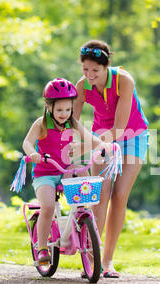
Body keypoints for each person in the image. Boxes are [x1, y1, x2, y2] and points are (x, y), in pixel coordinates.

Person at [74, 40, 149, 278]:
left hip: (132, 136)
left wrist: (87, 145)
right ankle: (92, 261)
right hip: (100, 137)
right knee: (99, 195)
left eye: (95, 70)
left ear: (107, 66)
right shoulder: (82, 86)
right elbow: (72, 122)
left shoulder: (124, 80)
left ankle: (107, 262)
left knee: (119, 195)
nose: (90, 75)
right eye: (86, 69)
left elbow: (119, 127)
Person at [22, 78, 111, 264]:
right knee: (47, 207)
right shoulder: (41, 123)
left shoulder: (72, 122)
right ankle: (42, 248)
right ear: (49, 106)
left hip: (64, 171)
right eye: (60, 109)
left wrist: (104, 145)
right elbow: (27, 142)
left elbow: (91, 138)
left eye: (68, 109)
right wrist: (33, 154)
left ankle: (82, 212)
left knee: (81, 171)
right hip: (44, 173)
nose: (64, 114)